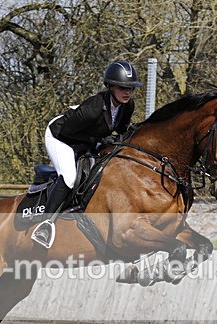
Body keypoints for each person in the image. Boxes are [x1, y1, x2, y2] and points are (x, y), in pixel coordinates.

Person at [31, 60, 142, 248]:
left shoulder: (127, 106)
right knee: (69, 177)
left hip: (84, 136)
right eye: (123, 87)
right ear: (110, 87)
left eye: (131, 88)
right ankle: (45, 224)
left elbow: (121, 131)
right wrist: (97, 140)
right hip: (60, 135)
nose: (127, 92)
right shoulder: (93, 109)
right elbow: (68, 132)